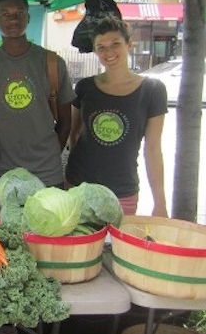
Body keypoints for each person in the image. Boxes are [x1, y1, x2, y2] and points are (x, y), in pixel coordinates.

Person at [0, 0, 75, 216]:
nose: (13, 19)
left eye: (19, 13)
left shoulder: (52, 63)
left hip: (47, 176)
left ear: (28, 17)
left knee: (47, 243)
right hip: (2, 175)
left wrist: (50, 153)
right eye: (5, 14)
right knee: (2, 244)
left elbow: (66, 122)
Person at [65, 16, 168, 217]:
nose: (108, 52)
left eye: (115, 44)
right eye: (101, 47)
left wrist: (160, 203)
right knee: (77, 245)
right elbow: (73, 133)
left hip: (122, 191)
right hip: (79, 185)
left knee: (116, 247)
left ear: (129, 45)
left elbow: (153, 149)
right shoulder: (85, 87)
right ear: (95, 51)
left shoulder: (152, 90)